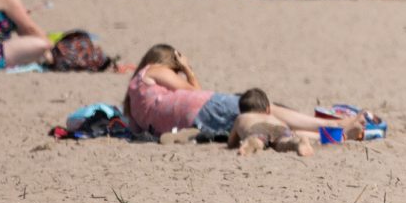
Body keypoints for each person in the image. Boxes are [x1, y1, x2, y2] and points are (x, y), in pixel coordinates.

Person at [122, 44, 359, 140]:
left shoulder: (133, 98)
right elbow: (194, 91)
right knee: (266, 110)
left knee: (259, 126)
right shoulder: (153, 70)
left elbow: (135, 130)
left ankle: (330, 137)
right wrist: (187, 68)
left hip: (189, 125)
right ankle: (337, 125)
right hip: (198, 107)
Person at [229, 88, 316, 156]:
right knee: (284, 142)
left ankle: (252, 143)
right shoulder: (272, 117)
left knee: (258, 140)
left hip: (258, 128)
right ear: (268, 110)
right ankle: (296, 142)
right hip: (279, 127)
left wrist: (235, 142)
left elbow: (231, 142)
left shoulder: (241, 117)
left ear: (241, 111)